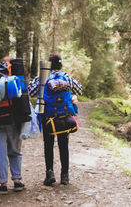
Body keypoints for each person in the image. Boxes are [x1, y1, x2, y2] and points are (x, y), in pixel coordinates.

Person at [28, 53, 82, 186]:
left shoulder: (43, 77)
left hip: (48, 116)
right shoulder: (67, 77)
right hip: (64, 116)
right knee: (64, 146)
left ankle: (50, 174)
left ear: (48, 64)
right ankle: (65, 176)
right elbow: (79, 90)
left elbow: (30, 92)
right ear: (60, 64)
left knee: (48, 145)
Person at [0, 56, 25, 195]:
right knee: (15, 150)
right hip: (12, 119)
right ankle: (17, 180)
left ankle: (3, 184)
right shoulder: (14, 71)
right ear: (11, 63)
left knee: (0, 152)